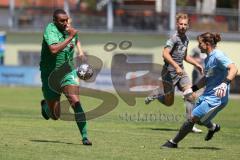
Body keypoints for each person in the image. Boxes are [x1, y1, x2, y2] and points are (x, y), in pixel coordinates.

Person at [162, 32, 238, 148]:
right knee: (199, 120)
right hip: (207, 96)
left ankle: (173, 142)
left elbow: (233, 68)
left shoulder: (218, 56)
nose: (198, 46)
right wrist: (191, 90)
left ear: (207, 44)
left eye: (200, 43)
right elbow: (205, 79)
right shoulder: (208, 59)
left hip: (217, 98)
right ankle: (213, 128)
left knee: (192, 118)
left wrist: (225, 83)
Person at [39, 9, 92, 145]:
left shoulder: (70, 31)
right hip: (50, 76)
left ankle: (85, 137)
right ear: (54, 21)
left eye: (66, 20)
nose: (65, 23)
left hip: (67, 73)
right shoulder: (50, 30)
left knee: (76, 102)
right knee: (55, 115)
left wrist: (80, 53)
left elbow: (76, 39)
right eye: (61, 21)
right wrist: (70, 36)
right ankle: (45, 106)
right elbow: (54, 50)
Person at [145, 13, 203, 133]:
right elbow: (165, 54)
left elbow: (185, 56)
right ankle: (157, 95)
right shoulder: (173, 38)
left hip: (181, 72)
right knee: (169, 102)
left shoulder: (186, 39)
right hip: (169, 73)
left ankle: (189, 124)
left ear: (188, 26)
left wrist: (196, 64)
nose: (182, 26)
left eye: (185, 24)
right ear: (177, 25)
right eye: (180, 24)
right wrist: (176, 66)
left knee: (191, 95)